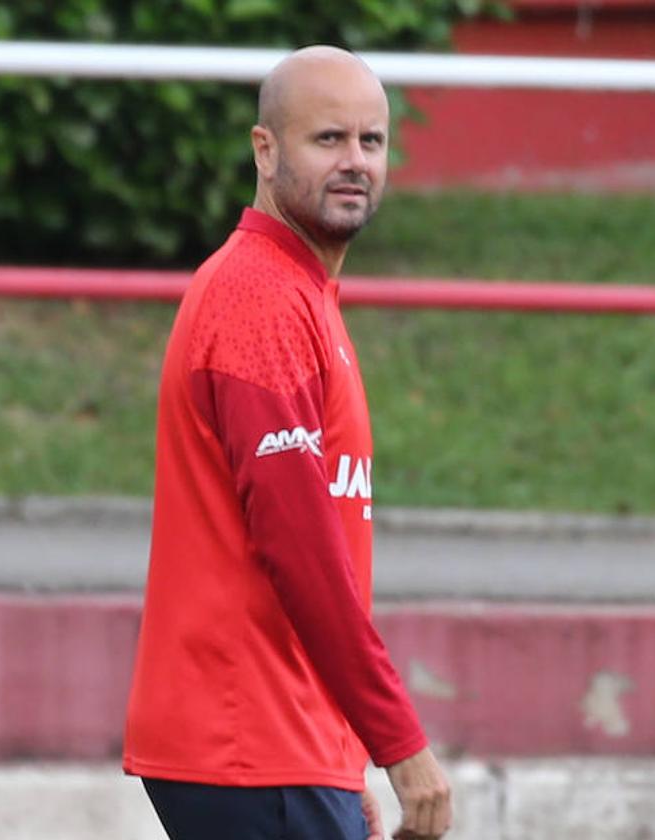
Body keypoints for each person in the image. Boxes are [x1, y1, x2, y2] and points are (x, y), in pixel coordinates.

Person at [123, 45, 452, 840]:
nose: (355, 162)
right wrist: (399, 747)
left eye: (371, 142)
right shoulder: (258, 299)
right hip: (250, 742)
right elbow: (299, 545)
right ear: (264, 151)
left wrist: (338, 757)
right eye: (327, 139)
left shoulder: (299, 294)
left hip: (280, 747)